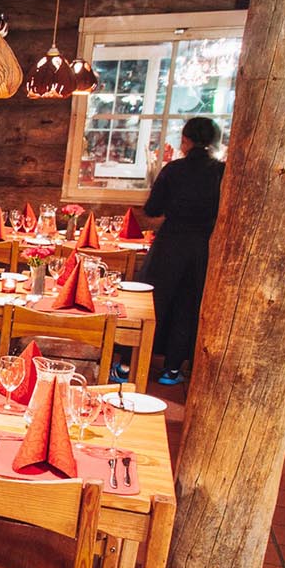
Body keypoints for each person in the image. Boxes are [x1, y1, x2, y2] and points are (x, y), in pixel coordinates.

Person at [111, 116, 224, 386]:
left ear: (185, 141)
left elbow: (153, 209)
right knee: (188, 304)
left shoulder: (174, 170)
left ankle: (128, 365)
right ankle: (172, 369)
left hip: (171, 243)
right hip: (202, 247)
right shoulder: (222, 172)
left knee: (149, 303)